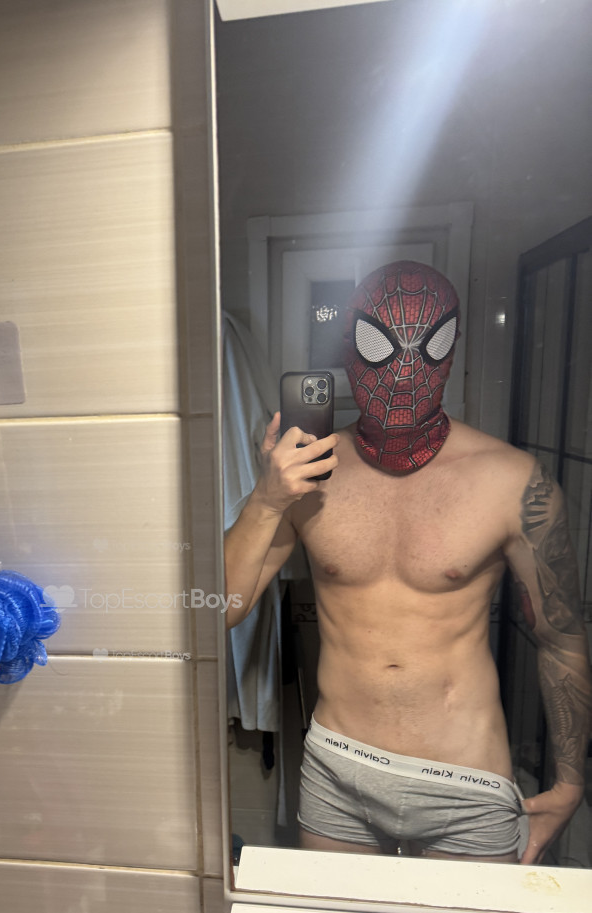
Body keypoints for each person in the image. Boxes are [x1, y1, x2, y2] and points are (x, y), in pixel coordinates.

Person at [224, 260, 592, 865]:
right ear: (349, 349)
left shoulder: (512, 481)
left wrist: (571, 782)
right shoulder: (307, 474)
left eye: (431, 346)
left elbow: (561, 635)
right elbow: (221, 608)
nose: (404, 369)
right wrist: (267, 500)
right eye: (379, 346)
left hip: (467, 779)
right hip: (338, 769)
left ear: (453, 347)